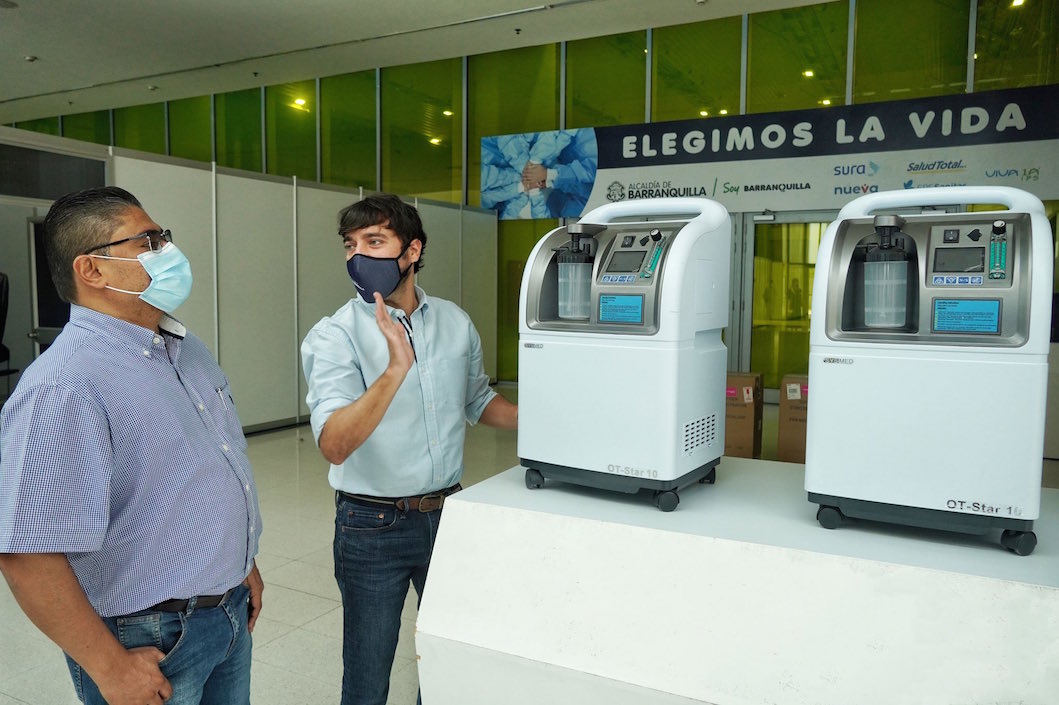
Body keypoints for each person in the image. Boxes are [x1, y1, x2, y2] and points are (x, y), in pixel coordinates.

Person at [0, 186, 263, 705]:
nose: (168, 252)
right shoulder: (65, 384)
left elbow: (203, 472)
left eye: (163, 237)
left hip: (227, 613)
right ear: (92, 270)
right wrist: (109, 667)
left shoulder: (185, 350)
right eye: (148, 241)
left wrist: (242, 564)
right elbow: (27, 553)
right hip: (149, 640)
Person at [301, 193, 518, 705]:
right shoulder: (335, 335)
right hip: (371, 526)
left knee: (449, 657)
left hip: (447, 515)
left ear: (412, 250)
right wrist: (395, 369)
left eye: (375, 242)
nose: (358, 257)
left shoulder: (454, 322)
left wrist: (548, 426)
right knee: (369, 670)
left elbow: (478, 399)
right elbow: (334, 443)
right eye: (350, 245)